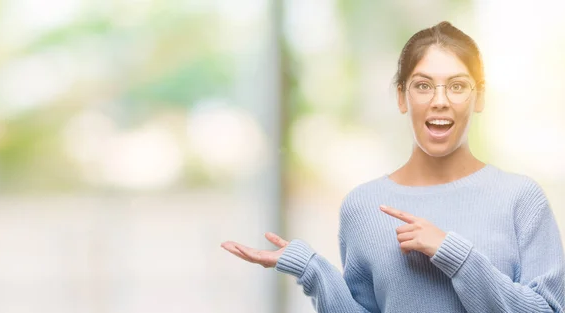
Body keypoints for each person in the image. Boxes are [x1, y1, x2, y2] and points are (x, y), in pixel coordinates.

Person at [220, 21, 565, 312]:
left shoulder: (521, 199)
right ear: (402, 97)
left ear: (480, 97)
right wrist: (312, 270)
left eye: (458, 86)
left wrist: (454, 255)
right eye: (423, 86)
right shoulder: (363, 206)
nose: (440, 101)